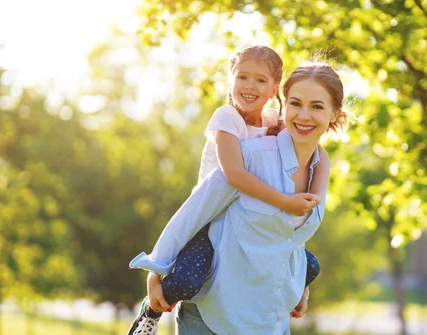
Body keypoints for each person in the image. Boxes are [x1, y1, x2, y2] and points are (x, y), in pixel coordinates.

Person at [133, 60, 348, 334]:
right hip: (215, 317)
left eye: (317, 106)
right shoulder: (250, 157)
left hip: (271, 319)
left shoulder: (320, 164)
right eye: (296, 104)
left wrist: (300, 289)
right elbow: (193, 212)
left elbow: (291, 240)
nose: (304, 115)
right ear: (283, 106)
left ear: (334, 112)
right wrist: (156, 271)